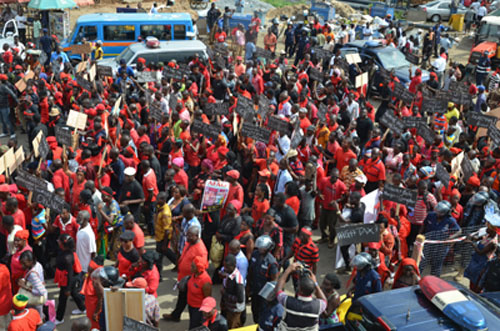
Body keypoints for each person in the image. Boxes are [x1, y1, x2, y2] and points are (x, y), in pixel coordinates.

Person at [164, 225, 207, 322]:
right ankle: (176, 315)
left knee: (190, 302)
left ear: (197, 236)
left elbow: (201, 268)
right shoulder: (189, 243)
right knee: (182, 297)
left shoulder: (201, 250)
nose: (188, 237)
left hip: (191, 280)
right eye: (187, 235)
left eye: (191, 236)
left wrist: (193, 278)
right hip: (183, 277)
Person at [275, 262, 327, 330]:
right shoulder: (318, 306)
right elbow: (324, 300)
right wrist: (315, 283)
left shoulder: (288, 302)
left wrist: (288, 271)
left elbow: (278, 289)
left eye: (298, 285)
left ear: (300, 290)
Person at [54, 234, 86, 325]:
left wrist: (68, 288)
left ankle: (59, 318)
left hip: (69, 279)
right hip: (69, 278)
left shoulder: (67, 258)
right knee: (75, 293)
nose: (58, 242)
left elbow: (70, 274)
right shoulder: (65, 252)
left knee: (62, 299)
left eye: (59, 241)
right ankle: (82, 308)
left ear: (63, 244)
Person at [248, 235, 279, 323]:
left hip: (265, 294)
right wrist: (248, 287)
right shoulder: (255, 254)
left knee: (263, 313)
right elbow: (251, 271)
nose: (260, 249)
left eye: (262, 248)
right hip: (255, 290)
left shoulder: (271, 262)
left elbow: (274, 281)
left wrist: (269, 298)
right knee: (254, 309)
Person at [464, 222, 498, 292]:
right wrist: (472, 237)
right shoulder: (487, 235)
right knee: (471, 278)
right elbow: (477, 239)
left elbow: (480, 252)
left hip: (481, 264)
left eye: (488, 228)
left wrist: (471, 244)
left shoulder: (493, 243)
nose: (486, 229)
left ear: (493, 230)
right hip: (476, 261)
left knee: (476, 282)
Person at [219, 254, 245, 328]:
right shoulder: (228, 272)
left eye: (227, 267)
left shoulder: (238, 280)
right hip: (228, 306)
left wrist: (225, 294)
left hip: (235, 310)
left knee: (232, 326)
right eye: (224, 266)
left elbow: (240, 299)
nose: (225, 269)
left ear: (234, 266)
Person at [187, 256, 212, 329]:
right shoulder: (194, 274)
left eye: (193, 266)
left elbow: (207, 299)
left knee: (194, 327)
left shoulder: (205, 281)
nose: (190, 267)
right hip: (191, 306)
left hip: (198, 310)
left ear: (198, 269)